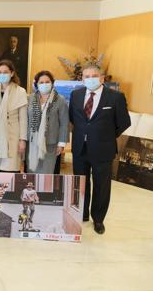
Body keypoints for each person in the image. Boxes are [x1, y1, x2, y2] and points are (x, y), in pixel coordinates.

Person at [69, 64, 131, 234]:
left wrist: (106, 136)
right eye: (86, 76)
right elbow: (73, 118)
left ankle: (98, 219)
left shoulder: (115, 97)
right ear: (82, 78)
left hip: (103, 149)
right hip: (80, 148)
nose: (90, 79)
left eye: (94, 75)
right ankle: (82, 214)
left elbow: (124, 122)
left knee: (101, 185)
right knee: (80, 184)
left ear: (102, 78)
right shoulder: (76, 95)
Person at [27, 71, 69, 174]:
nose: (44, 84)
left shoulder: (60, 100)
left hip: (51, 143)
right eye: (41, 82)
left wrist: (61, 143)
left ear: (52, 83)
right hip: (32, 143)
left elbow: (64, 122)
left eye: (47, 81)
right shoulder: (30, 98)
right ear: (36, 84)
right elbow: (26, 119)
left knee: (47, 173)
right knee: (31, 172)